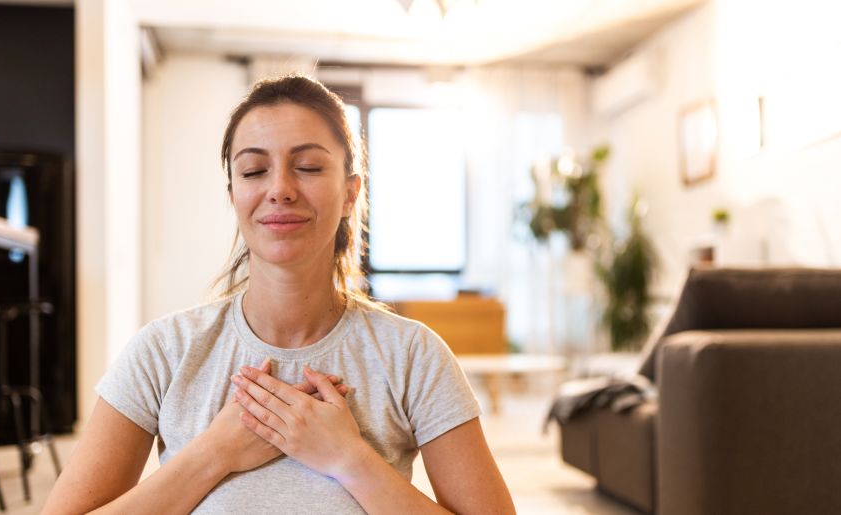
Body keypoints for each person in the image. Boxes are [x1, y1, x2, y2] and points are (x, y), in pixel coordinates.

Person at [42, 75, 515, 514]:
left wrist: (350, 460)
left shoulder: (413, 355)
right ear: (233, 194)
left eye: (308, 166)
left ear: (351, 193)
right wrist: (214, 453)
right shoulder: (164, 351)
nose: (280, 190)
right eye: (253, 171)